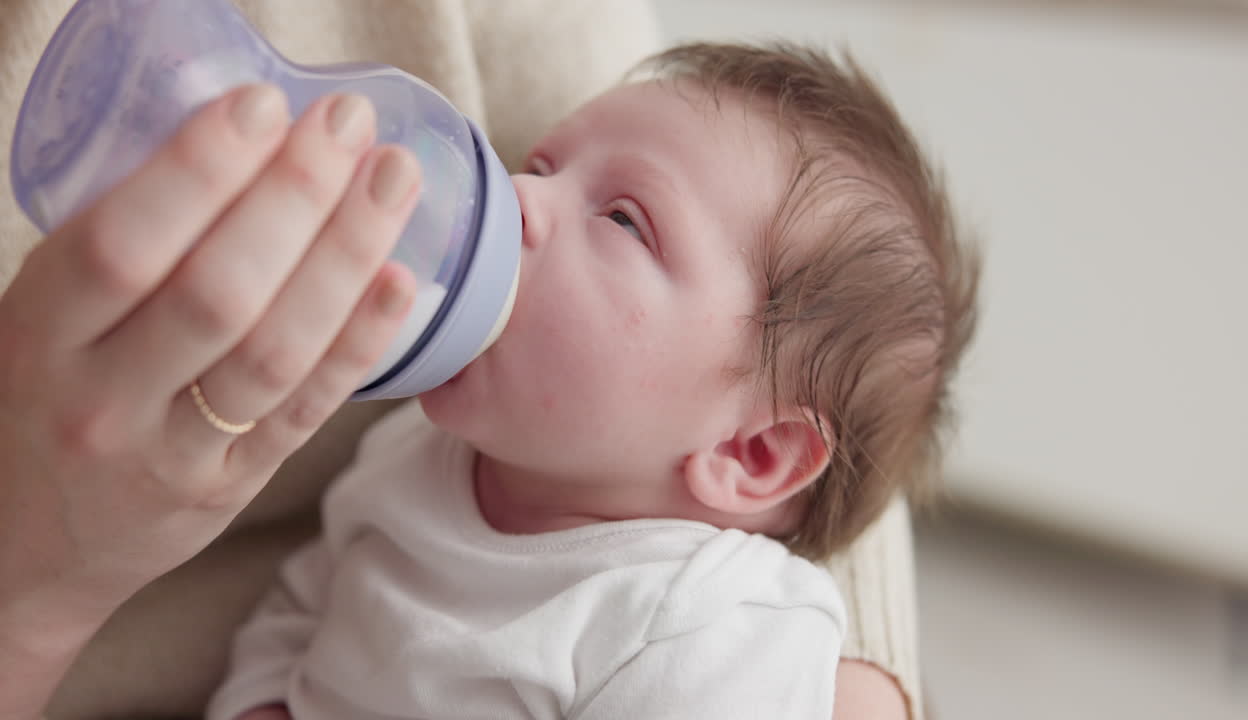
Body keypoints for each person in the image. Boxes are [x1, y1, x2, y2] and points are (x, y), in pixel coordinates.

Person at [0, 2, 940, 719]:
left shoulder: (704, 623)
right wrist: (266, 700)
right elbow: (304, 601)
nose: (523, 199)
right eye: (542, 166)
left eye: (621, 219)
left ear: (752, 456)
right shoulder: (412, 458)